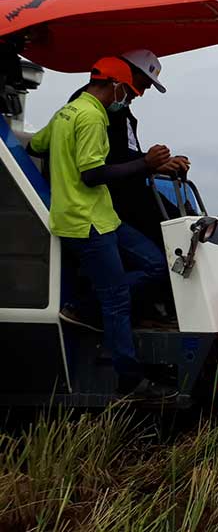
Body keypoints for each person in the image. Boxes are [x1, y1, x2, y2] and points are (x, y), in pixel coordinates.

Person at [29, 57, 177, 400]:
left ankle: (85, 306)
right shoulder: (94, 116)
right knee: (116, 299)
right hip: (87, 222)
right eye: (127, 89)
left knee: (155, 263)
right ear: (115, 85)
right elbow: (92, 174)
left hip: (100, 216)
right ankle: (130, 381)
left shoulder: (66, 113)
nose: (126, 97)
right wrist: (146, 163)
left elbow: (35, 146)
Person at [68, 49, 190, 243]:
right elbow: (99, 167)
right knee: (168, 248)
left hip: (129, 191)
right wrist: (149, 163)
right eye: (141, 86)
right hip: (109, 201)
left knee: (184, 224)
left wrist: (158, 162)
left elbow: (123, 153)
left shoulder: (117, 105)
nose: (140, 94)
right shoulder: (93, 109)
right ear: (122, 76)